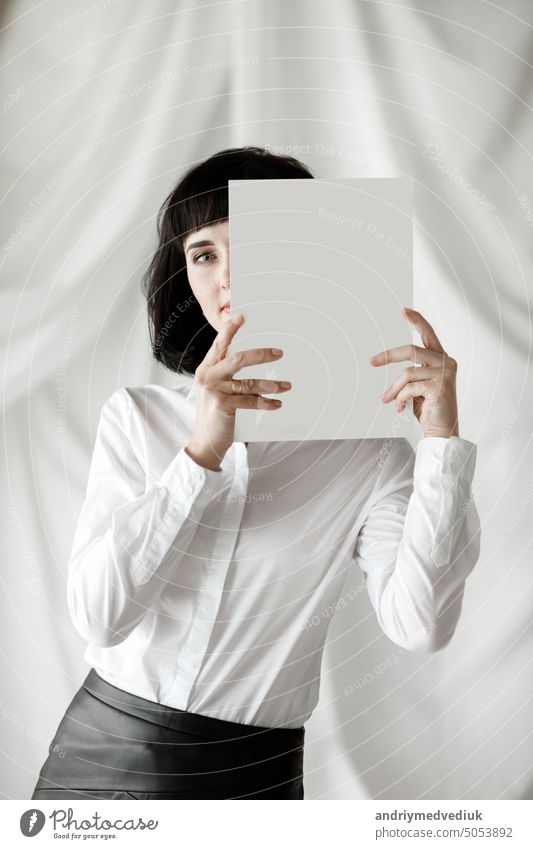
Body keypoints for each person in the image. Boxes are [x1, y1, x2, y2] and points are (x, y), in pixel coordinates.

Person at [31, 146, 481, 800]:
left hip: (256, 777)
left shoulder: (369, 455)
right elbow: (101, 618)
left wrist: (441, 437)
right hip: (104, 757)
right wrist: (200, 454)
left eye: (254, 246)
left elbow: (420, 626)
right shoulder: (137, 419)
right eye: (203, 254)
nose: (225, 278)